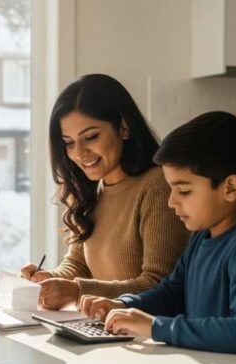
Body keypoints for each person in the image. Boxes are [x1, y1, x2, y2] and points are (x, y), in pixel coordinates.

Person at [80, 111, 236, 364]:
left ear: (230, 188)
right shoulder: (202, 237)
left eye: (184, 191)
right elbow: (172, 293)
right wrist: (125, 304)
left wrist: (155, 327)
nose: (172, 202)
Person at [20, 74, 189, 310]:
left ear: (123, 128)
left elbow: (159, 286)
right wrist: (47, 280)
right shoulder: (93, 190)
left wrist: (77, 291)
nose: (79, 153)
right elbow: (78, 265)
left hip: (145, 330)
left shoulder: (158, 185)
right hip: (107, 325)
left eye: (91, 137)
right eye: (69, 142)